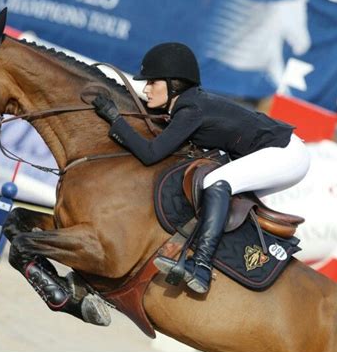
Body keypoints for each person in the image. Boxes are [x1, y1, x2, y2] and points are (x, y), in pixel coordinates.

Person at [92, 42, 310, 294]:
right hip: (279, 152)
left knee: (216, 182)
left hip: (287, 154)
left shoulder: (190, 109)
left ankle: (202, 265)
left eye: (153, 83)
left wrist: (115, 120)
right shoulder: (187, 105)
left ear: (174, 84)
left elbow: (150, 154)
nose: (146, 89)